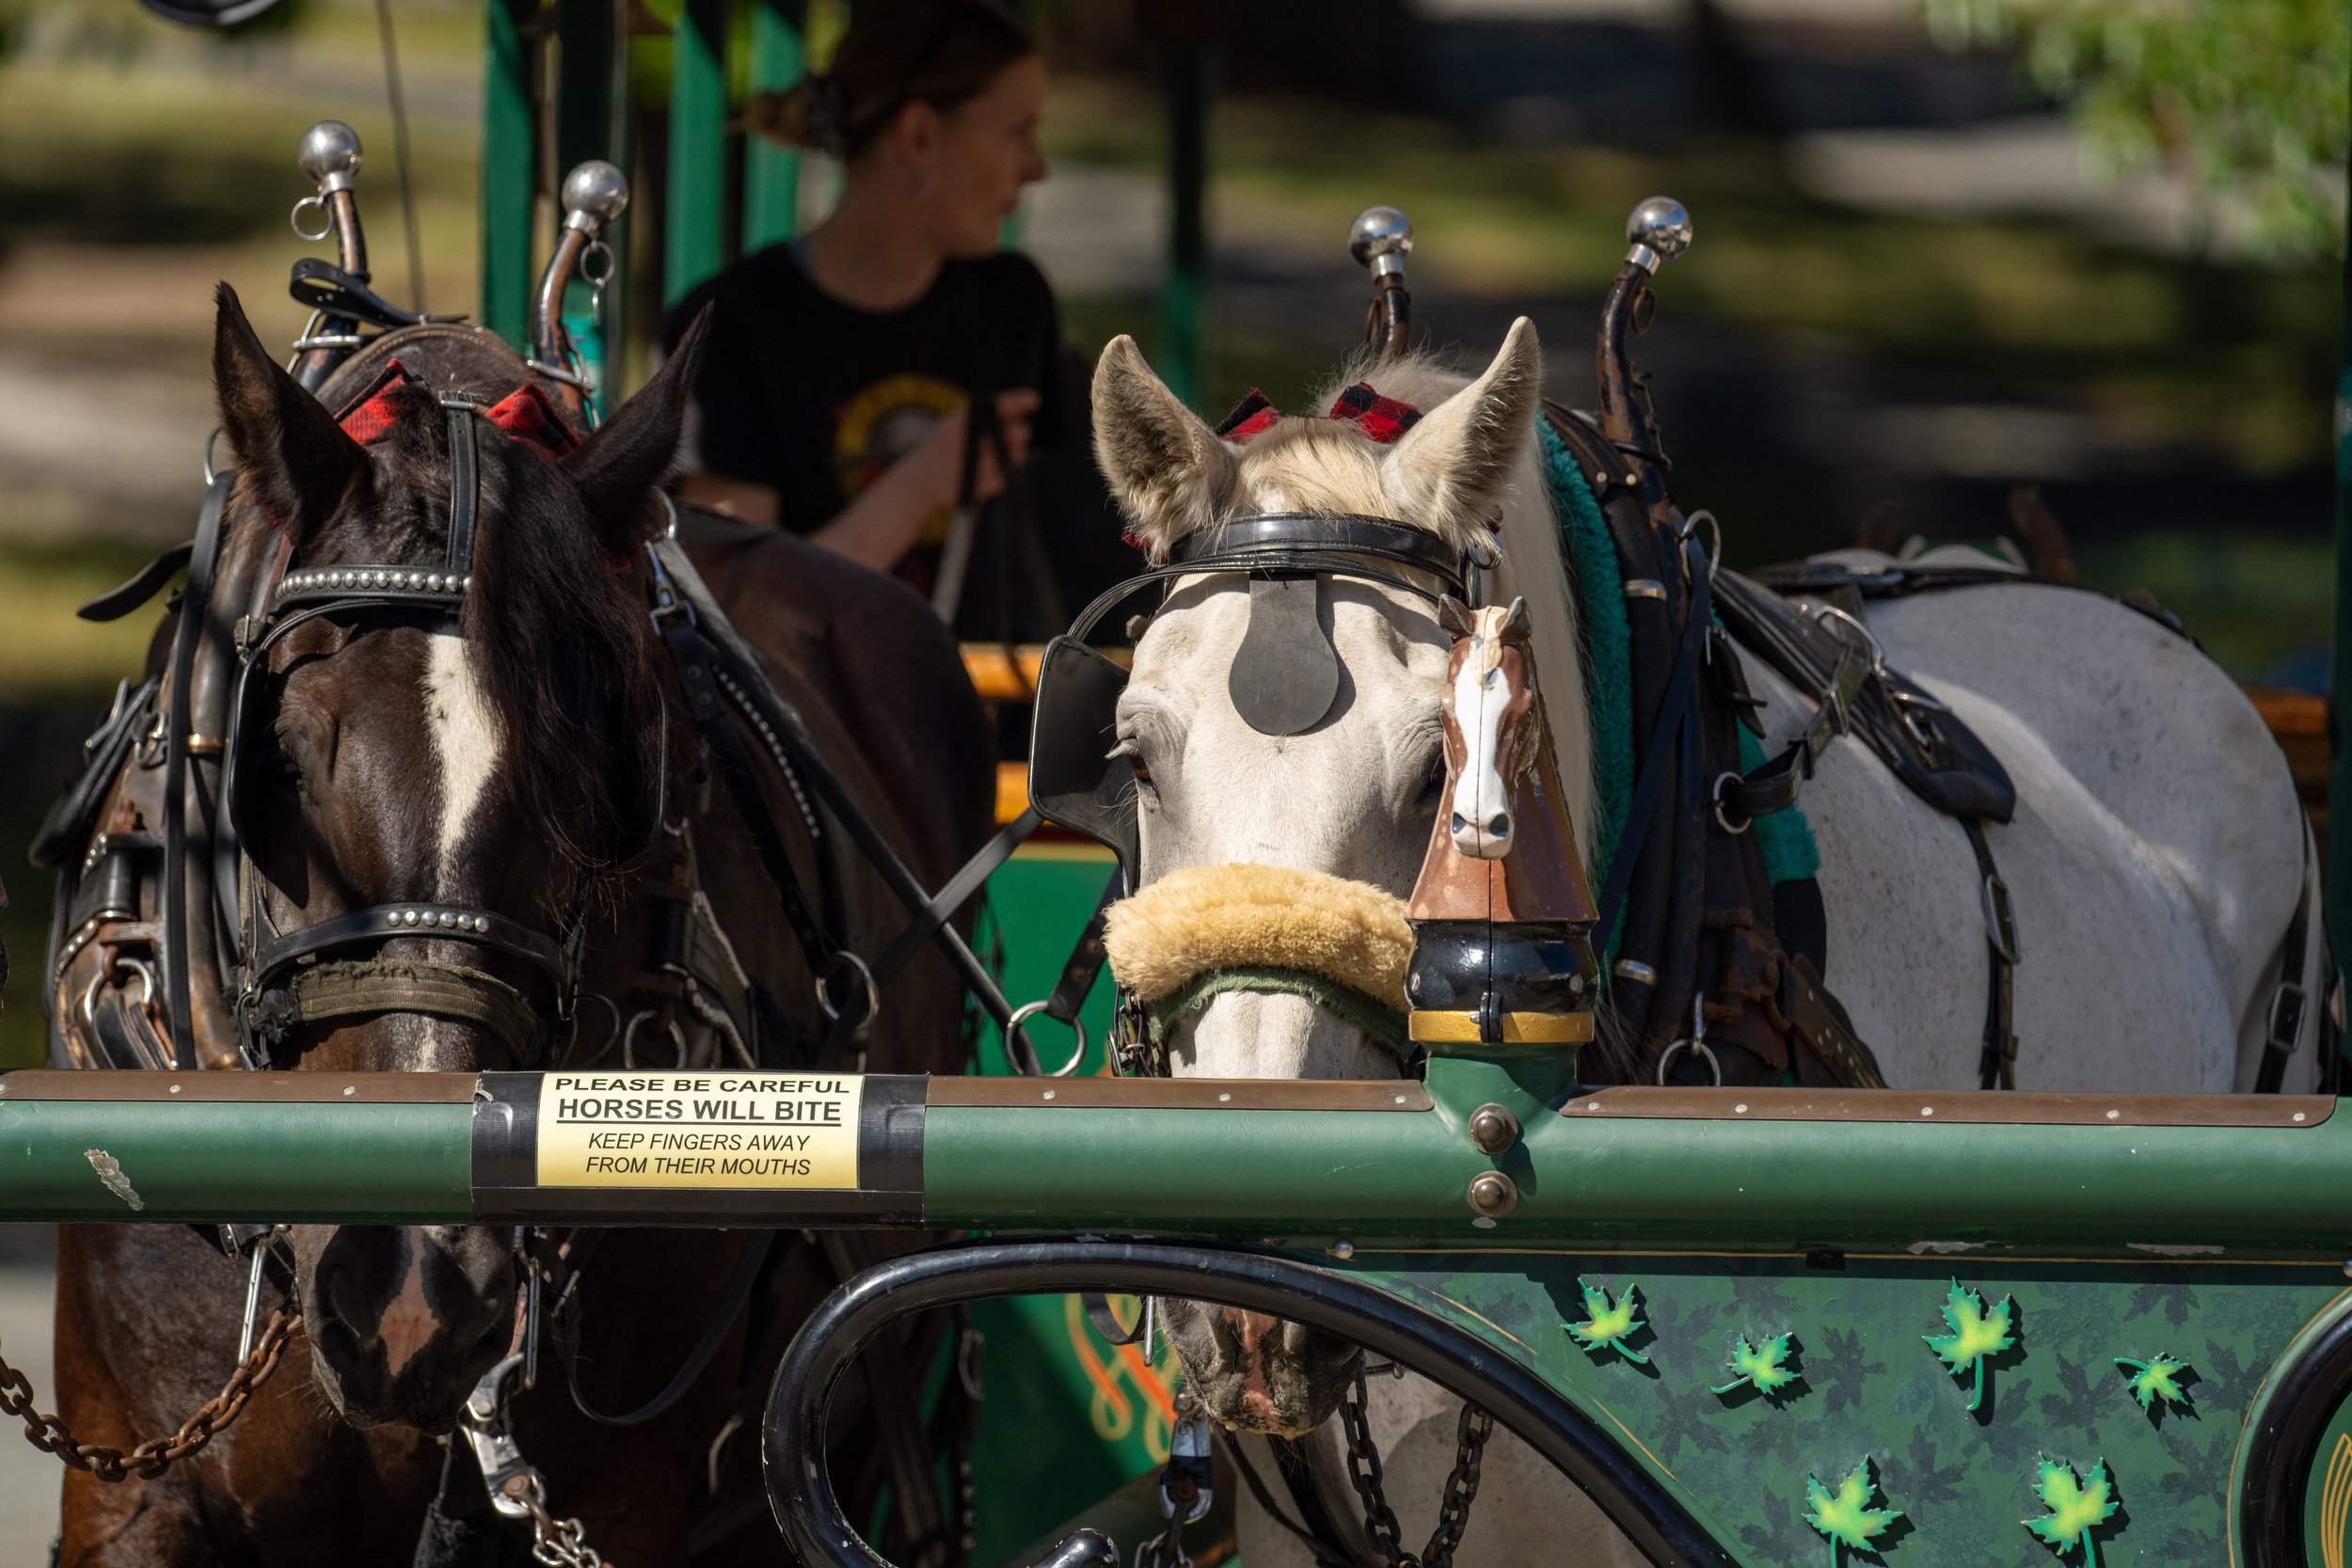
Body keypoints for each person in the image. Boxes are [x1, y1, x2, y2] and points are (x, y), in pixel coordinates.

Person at [664, 0, 1078, 629]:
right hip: (819, 722)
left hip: (999, 716)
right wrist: (921, 485)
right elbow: (741, 606)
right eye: (1018, 130)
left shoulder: (1013, 301)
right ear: (919, 138)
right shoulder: (733, 327)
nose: (1037, 168)